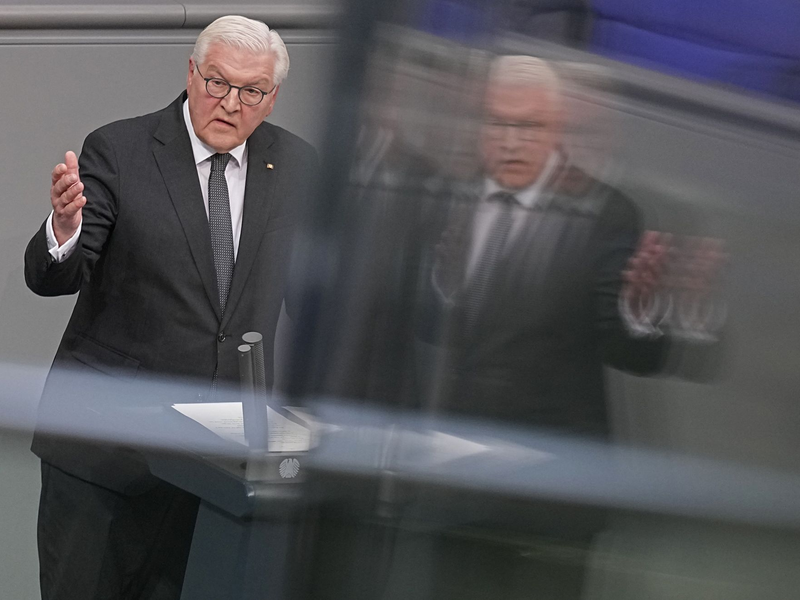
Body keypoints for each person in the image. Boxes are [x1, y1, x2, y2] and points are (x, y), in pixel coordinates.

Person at [24, 15, 317, 600]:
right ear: (191, 72)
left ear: (272, 96)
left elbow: (314, 303)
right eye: (217, 82)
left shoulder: (296, 167)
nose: (231, 103)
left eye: (251, 91)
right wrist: (65, 228)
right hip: (106, 457)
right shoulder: (121, 149)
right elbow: (55, 275)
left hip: (219, 470)